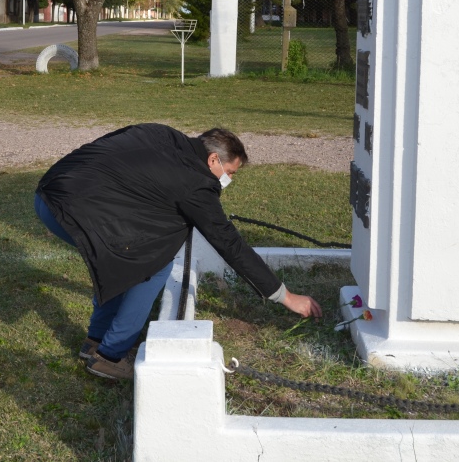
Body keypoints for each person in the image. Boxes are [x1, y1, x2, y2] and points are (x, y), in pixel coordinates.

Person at [34, 123, 323, 381]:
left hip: (50, 189)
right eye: (230, 172)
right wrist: (284, 296)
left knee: (125, 257)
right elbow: (229, 243)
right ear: (213, 159)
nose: (228, 180)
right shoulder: (196, 184)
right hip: (71, 210)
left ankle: (95, 342)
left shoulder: (164, 134)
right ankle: (110, 357)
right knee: (151, 265)